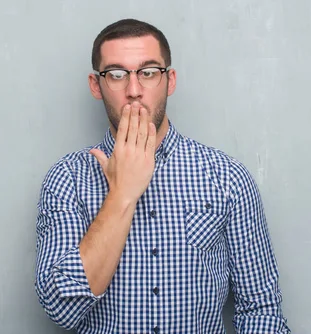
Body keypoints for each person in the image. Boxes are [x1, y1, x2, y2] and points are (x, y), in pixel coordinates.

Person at [35, 18, 290, 333]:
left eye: (148, 72)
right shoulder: (67, 179)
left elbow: (260, 309)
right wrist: (121, 196)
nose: (134, 90)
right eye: (116, 74)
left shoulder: (227, 178)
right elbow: (62, 309)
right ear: (95, 85)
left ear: (169, 81)